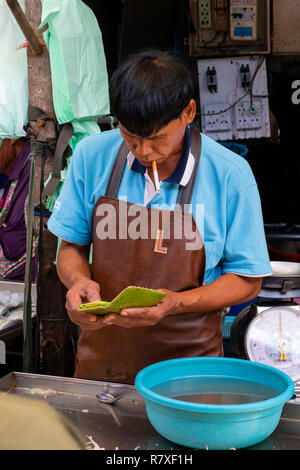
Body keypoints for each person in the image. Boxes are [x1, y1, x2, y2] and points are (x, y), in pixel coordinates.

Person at [48, 50, 272, 384]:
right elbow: (71, 247)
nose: (142, 150)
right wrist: (78, 283)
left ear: (188, 112)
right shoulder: (91, 156)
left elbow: (247, 280)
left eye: (155, 138)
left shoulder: (230, 175)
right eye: (129, 134)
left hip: (189, 373)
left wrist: (175, 303)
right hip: (103, 369)